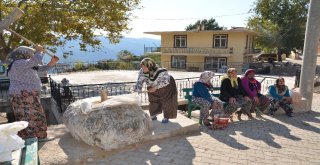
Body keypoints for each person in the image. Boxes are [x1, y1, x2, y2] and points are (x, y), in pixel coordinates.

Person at [7, 45, 59, 139]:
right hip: (23, 95)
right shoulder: (18, 63)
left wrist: (52, 62)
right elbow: (34, 61)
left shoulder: (26, 64)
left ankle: (34, 136)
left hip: (26, 95)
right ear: (24, 54)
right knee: (30, 116)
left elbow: (42, 68)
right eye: (29, 54)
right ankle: (33, 136)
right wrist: (39, 51)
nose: (31, 55)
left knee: (31, 115)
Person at [134, 58, 177, 123]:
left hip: (166, 86)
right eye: (142, 67)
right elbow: (139, 81)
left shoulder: (161, 71)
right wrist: (137, 90)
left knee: (167, 101)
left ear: (150, 66)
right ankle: (154, 114)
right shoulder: (142, 71)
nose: (143, 69)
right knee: (153, 100)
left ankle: (166, 117)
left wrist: (155, 87)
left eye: (144, 67)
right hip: (152, 86)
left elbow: (166, 81)